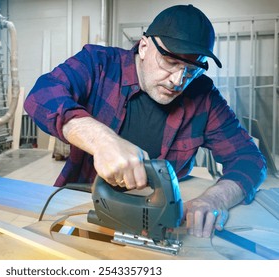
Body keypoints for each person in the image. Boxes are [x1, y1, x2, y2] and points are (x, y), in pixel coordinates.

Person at [24, 5, 267, 238]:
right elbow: (41, 95)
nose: (178, 80)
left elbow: (249, 158)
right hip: (84, 206)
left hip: (159, 216)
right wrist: (101, 139)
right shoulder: (99, 63)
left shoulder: (204, 96)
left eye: (191, 69)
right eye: (171, 62)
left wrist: (215, 199)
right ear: (143, 46)